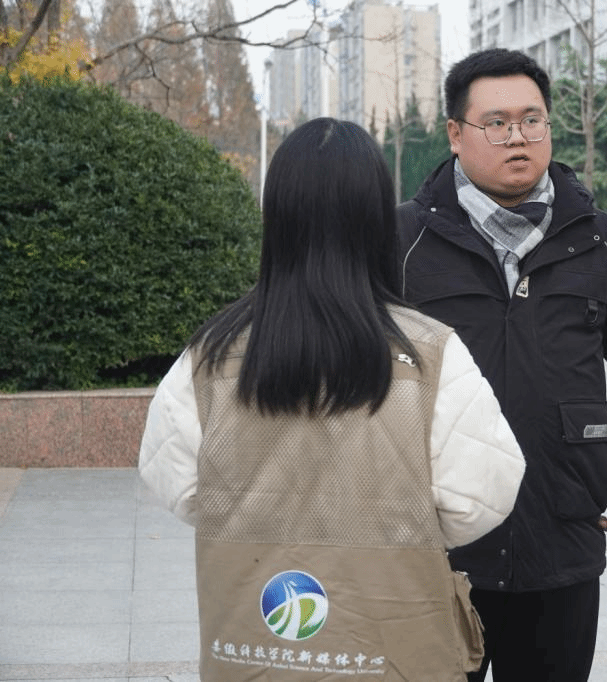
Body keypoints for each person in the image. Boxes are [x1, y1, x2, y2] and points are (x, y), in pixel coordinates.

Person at [137, 118, 526, 682]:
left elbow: (175, 482)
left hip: (252, 650)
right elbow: (482, 495)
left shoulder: (209, 356)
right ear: (377, 221)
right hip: (394, 652)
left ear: (277, 218)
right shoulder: (430, 353)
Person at [397, 48, 607, 681]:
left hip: (561, 531)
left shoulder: (600, 240)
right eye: (496, 122)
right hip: (436, 539)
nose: (517, 136)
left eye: (531, 119)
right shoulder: (402, 240)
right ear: (455, 134)